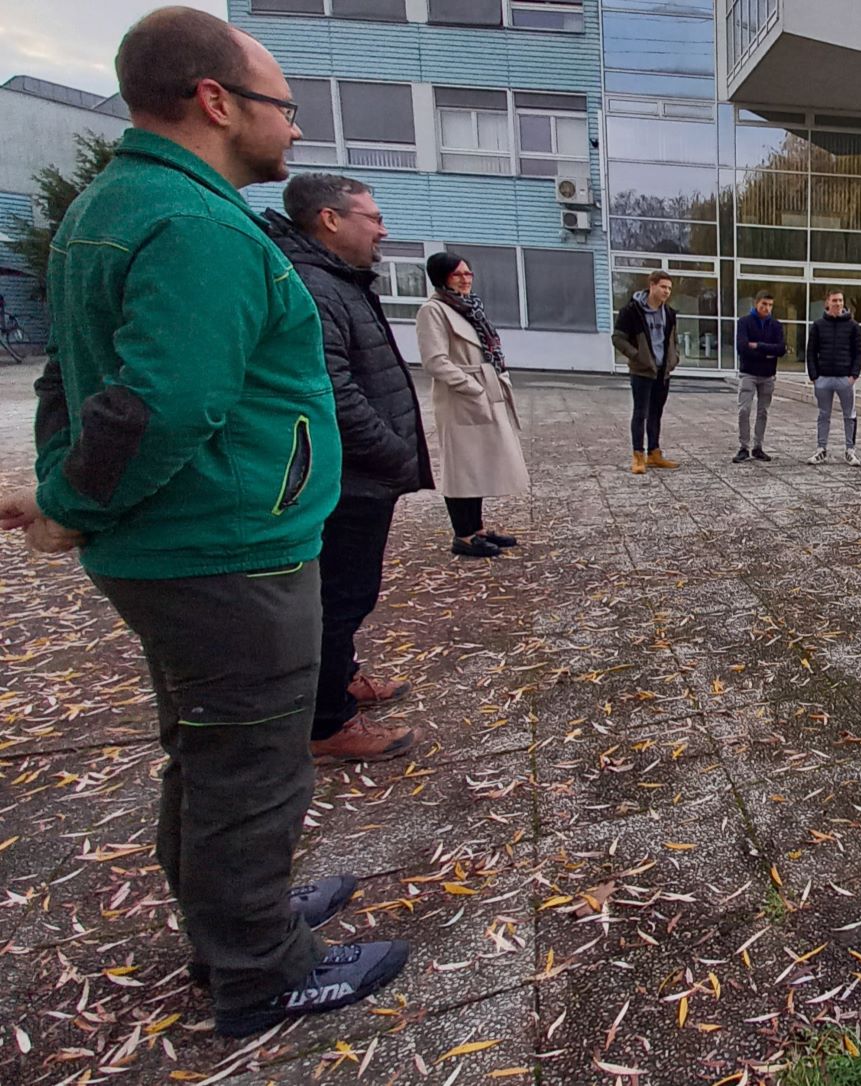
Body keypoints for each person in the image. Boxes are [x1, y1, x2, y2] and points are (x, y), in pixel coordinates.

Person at [0, 6, 409, 1036]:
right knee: (250, 769)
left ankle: (240, 919)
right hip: (222, 548)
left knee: (210, 750)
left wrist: (64, 492)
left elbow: (69, 380)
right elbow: (161, 402)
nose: (298, 129)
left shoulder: (122, 202)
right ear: (216, 101)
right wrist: (68, 502)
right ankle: (261, 973)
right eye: (285, 106)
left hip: (186, 545)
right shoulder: (193, 222)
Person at [264, 174, 428, 765]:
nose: (383, 229)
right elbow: (333, 391)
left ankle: (339, 681)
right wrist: (391, 451)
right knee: (339, 595)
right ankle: (328, 721)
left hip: (360, 474)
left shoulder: (337, 281)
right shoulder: (315, 284)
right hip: (348, 475)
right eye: (373, 217)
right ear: (330, 220)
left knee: (348, 595)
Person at [417, 251, 530, 557]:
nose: (465, 279)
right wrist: (471, 387)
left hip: (482, 388)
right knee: (461, 466)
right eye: (458, 275)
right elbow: (435, 361)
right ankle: (463, 535)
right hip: (461, 398)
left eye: (468, 274)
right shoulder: (433, 310)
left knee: (479, 462)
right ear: (442, 278)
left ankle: (477, 528)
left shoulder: (468, 307)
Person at [614, 270, 680, 474]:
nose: (666, 291)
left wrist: (674, 358)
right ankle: (638, 456)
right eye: (663, 287)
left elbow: (672, 340)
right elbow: (618, 338)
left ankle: (654, 453)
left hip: (662, 372)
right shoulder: (632, 311)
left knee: (656, 413)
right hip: (642, 371)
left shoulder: (669, 313)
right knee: (640, 413)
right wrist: (636, 355)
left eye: (669, 288)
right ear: (651, 285)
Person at [806, 290, 861, 465]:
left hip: (844, 379)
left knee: (849, 415)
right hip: (823, 379)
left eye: (840, 300)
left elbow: (859, 351)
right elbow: (811, 352)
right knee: (823, 415)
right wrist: (814, 376)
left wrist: (854, 375)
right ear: (827, 302)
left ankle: (850, 450)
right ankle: (821, 449)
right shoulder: (818, 325)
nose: (838, 303)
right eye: (834, 300)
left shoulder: (853, 326)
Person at [734, 290, 786, 463]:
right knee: (744, 410)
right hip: (748, 373)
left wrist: (758, 346)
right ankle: (743, 447)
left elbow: (781, 349)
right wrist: (767, 353)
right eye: (764, 304)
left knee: (763, 411)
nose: (767, 308)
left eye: (770, 305)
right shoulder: (744, 322)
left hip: (768, 375)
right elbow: (742, 348)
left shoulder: (776, 325)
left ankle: (758, 446)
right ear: (756, 303)